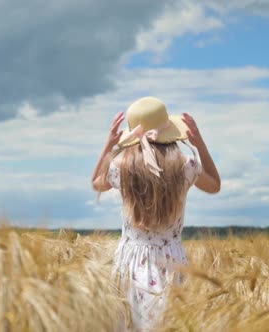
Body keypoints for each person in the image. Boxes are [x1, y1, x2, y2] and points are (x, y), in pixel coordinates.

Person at [91, 97, 221, 331]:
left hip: (130, 262)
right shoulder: (186, 165)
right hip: (172, 261)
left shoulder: (121, 168)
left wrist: (109, 146)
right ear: (170, 132)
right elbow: (214, 185)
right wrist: (199, 143)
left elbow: (96, 183)